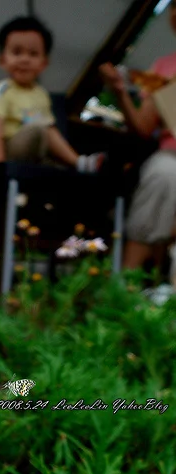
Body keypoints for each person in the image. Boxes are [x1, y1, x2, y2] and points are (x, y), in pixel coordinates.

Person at [99, 0, 176, 271]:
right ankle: (124, 291)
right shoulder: (164, 68)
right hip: (171, 155)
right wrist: (120, 93)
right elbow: (143, 128)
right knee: (163, 175)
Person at [0, 16, 105, 173]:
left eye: (33, 54)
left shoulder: (41, 94)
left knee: (49, 136)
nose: (25, 59)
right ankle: (79, 163)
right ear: (2, 60)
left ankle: (78, 164)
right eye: (17, 52)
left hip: (34, 153)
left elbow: (48, 132)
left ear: (44, 63)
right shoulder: (2, 91)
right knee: (42, 128)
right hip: (4, 151)